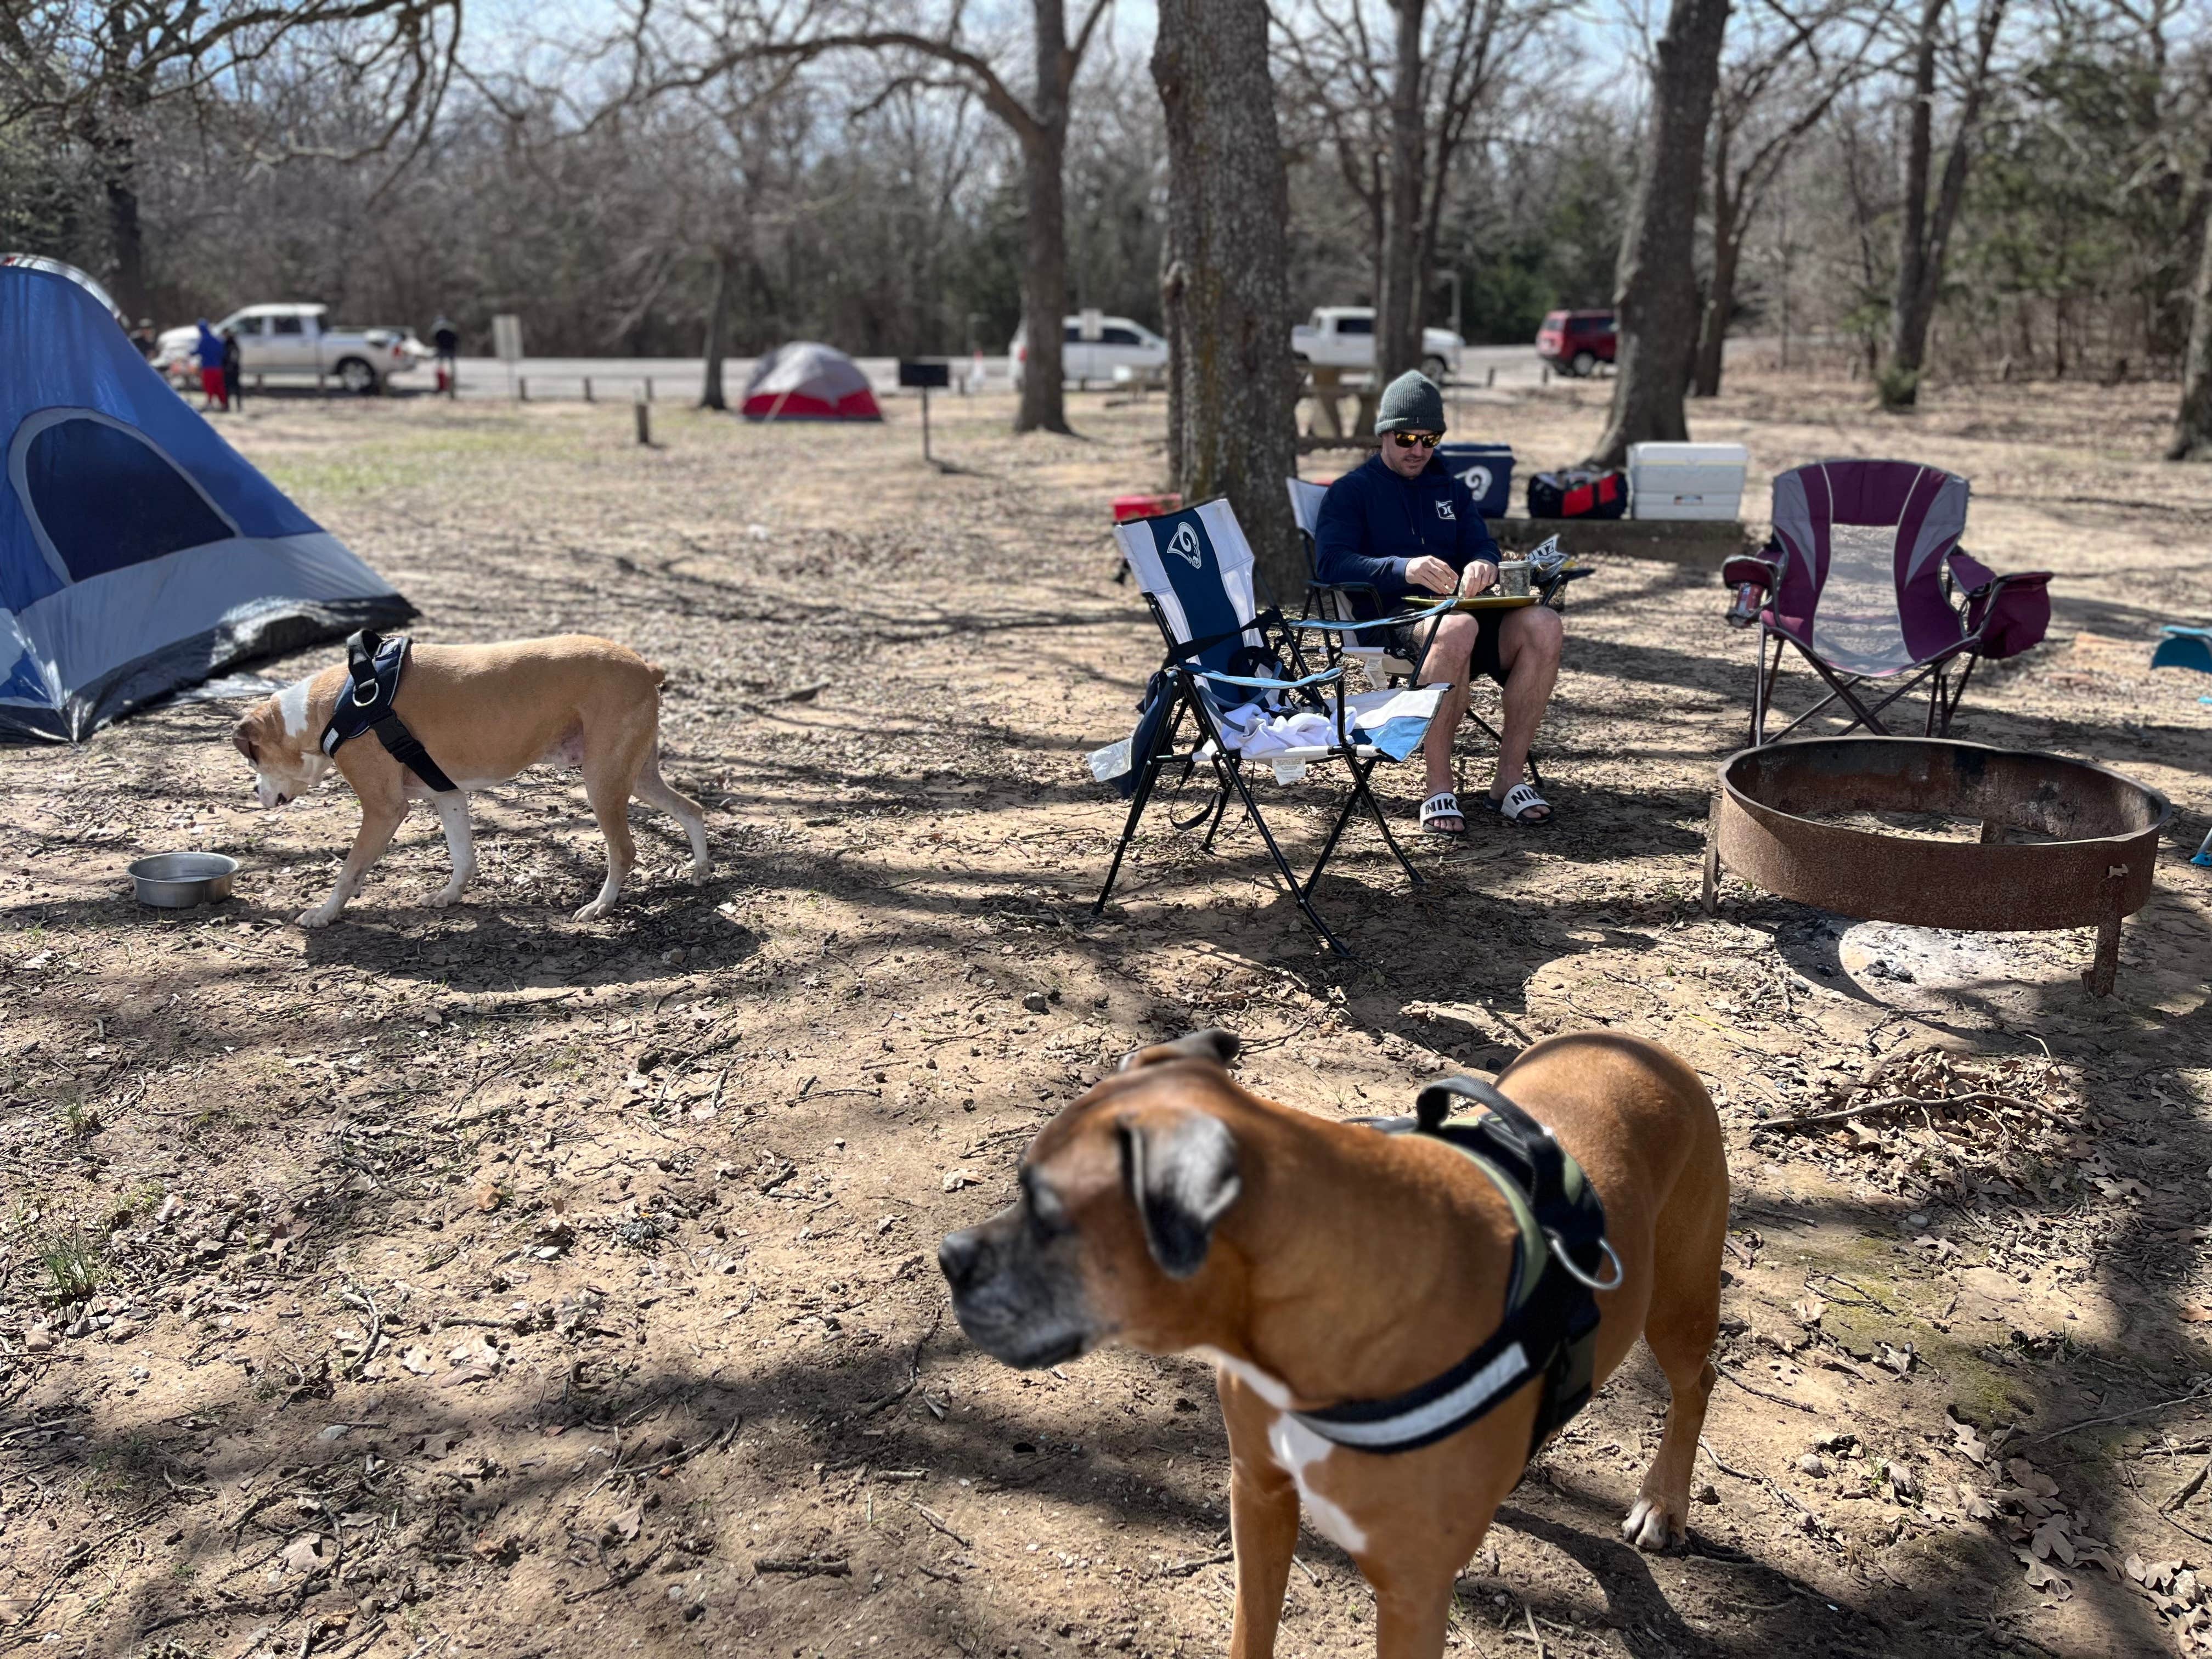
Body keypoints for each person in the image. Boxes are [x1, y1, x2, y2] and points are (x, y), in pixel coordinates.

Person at [1313, 369, 1564, 834]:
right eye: (1407, 437)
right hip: (1396, 621)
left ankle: (1508, 780)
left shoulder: (1449, 487)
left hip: (1464, 613)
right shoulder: (1353, 491)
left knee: (1544, 623)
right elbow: (1330, 563)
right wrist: (1402, 568)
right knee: (1457, 629)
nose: (1418, 450)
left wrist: (1482, 565)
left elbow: (1481, 543)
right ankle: (1438, 784)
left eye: (1430, 440)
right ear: (1385, 433)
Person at [194, 319, 227, 411]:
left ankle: (209, 403)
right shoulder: (216, 339)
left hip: (208, 368)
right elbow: (222, 352)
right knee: (219, 386)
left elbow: (198, 351)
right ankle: (223, 403)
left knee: (209, 386)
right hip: (218, 367)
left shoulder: (204, 340)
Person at [432, 314, 459, 394]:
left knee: (441, 368)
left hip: (443, 350)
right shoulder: (452, 327)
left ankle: (443, 385)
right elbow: (457, 339)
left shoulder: (436, 329)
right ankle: (451, 384)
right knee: (451, 368)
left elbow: (434, 340)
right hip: (451, 349)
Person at [221, 326, 244, 413]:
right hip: (232, 369)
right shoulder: (229, 343)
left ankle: (235, 406)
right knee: (231, 388)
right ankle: (231, 406)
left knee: (232, 388)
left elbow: (234, 356)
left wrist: (229, 366)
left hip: (231, 369)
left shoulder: (230, 343)